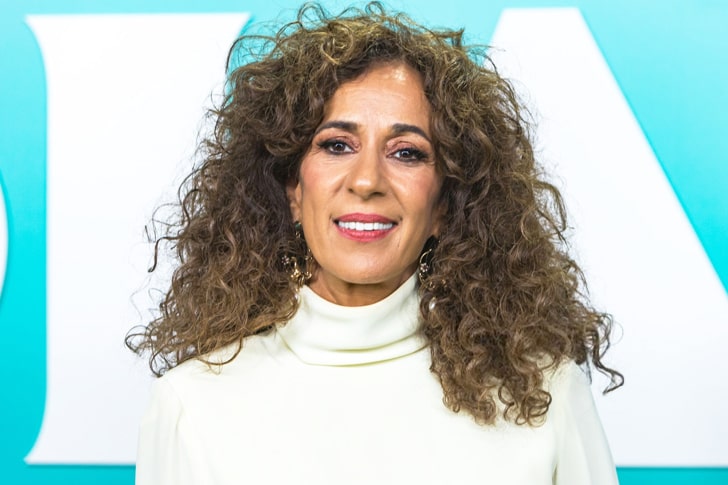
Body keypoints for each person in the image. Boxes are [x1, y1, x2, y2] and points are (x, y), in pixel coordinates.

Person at [128, 3, 623, 484]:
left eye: (406, 153)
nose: (366, 180)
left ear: (445, 204)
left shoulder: (543, 396)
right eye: (337, 145)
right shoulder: (192, 405)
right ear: (293, 190)